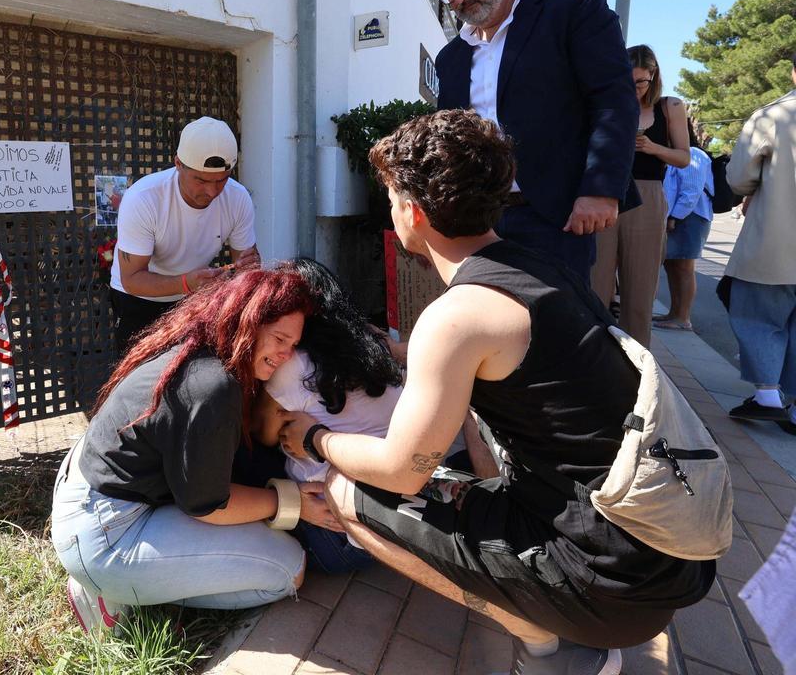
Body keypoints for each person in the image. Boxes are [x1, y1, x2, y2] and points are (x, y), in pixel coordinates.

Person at [279, 110, 713, 675]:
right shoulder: (536, 270)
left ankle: (551, 644)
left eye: (389, 198)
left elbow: (401, 469)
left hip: (607, 586)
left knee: (346, 491)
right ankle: (556, 631)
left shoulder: (456, 316)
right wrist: (393, 349)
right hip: (666, 556)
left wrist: (313, 437)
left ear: (412, 211)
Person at [51, 268, 341, 634]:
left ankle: (134, 577)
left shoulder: (200, 343)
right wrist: (295, 503)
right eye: (279, 339)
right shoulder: (214, 387)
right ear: (247, 322)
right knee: (289, 570)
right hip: (106, 531)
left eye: (293, 345)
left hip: (85, 482)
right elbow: (209, 507)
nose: (286, 355)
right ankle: (115, 591)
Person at [433, 0, 638, 285]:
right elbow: (450, 142)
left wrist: (599, 190)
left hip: (556, 218)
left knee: (556, 334)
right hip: (478, 223)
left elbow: (612, 101)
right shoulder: (451, 57)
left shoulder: (573, 8)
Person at [249, 258, 404, 573]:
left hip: (336, 536)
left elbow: (263, 434)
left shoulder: (294, 364)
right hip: (393, 525)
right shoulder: (373, 342)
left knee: (247, 456)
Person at [109, 116, 260, 355]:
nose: (212, 191)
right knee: (139, 378)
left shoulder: (237, 197)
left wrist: (244, 270)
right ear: (178, 163)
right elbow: (132, 278)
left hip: (194, 296)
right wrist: (185, 283)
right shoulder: (144, 198)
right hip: (138, 297)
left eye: (222, 180)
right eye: (200, 180)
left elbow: (247, 263)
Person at [591, 45, 691, 346]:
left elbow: (684, 157)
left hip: (648, 194)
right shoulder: (605, 102)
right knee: (595, 282)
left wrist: (651, 147)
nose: (634, 88)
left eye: (641, 82)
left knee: (640, 285)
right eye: (627, 80)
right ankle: (593, 355)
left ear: (654, 77)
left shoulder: (669, 107)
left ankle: (636, 366)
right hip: (604, 190)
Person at [723, 55, 796, 427]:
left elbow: (739, 178)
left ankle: (767, 394)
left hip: (776, 239)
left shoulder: (773, 115)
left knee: (759, 315)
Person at [654, 121, 715, 331]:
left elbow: (691, 191)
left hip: (690, 218)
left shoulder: (694, 154)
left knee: (684, 267)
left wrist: (675, 217)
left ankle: (683, 317)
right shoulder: (671, 153)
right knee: (672, 265)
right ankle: (674, 312)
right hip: (676, 216)